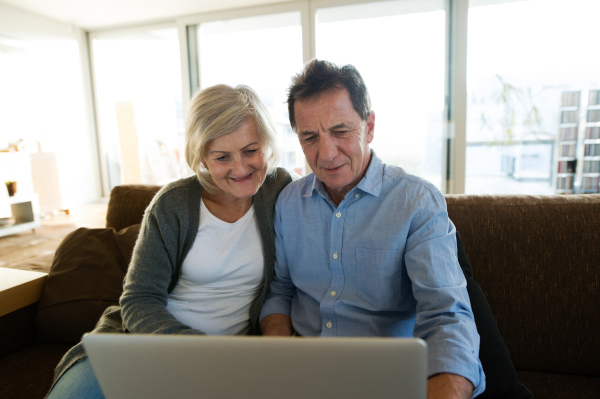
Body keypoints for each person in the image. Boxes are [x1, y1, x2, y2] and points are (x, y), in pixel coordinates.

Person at [46, 84, 293, 399]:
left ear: (267, 144)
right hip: (139, 344)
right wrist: (200, 351)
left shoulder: (281, 190)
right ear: (201, 155)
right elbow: (138, 300)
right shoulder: (173, 205)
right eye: (222, 156)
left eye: (251, 150)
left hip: (229, 364)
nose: (241, 167)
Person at [259, 59, 485, 399]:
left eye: (340, 131)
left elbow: (446, 315)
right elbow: (280, 290)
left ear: (369, 126)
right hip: (304, 374)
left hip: (387, 379)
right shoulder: (288, 202)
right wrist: (276, 362)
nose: (326, 153)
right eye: (310, 137)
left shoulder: (417, 201)